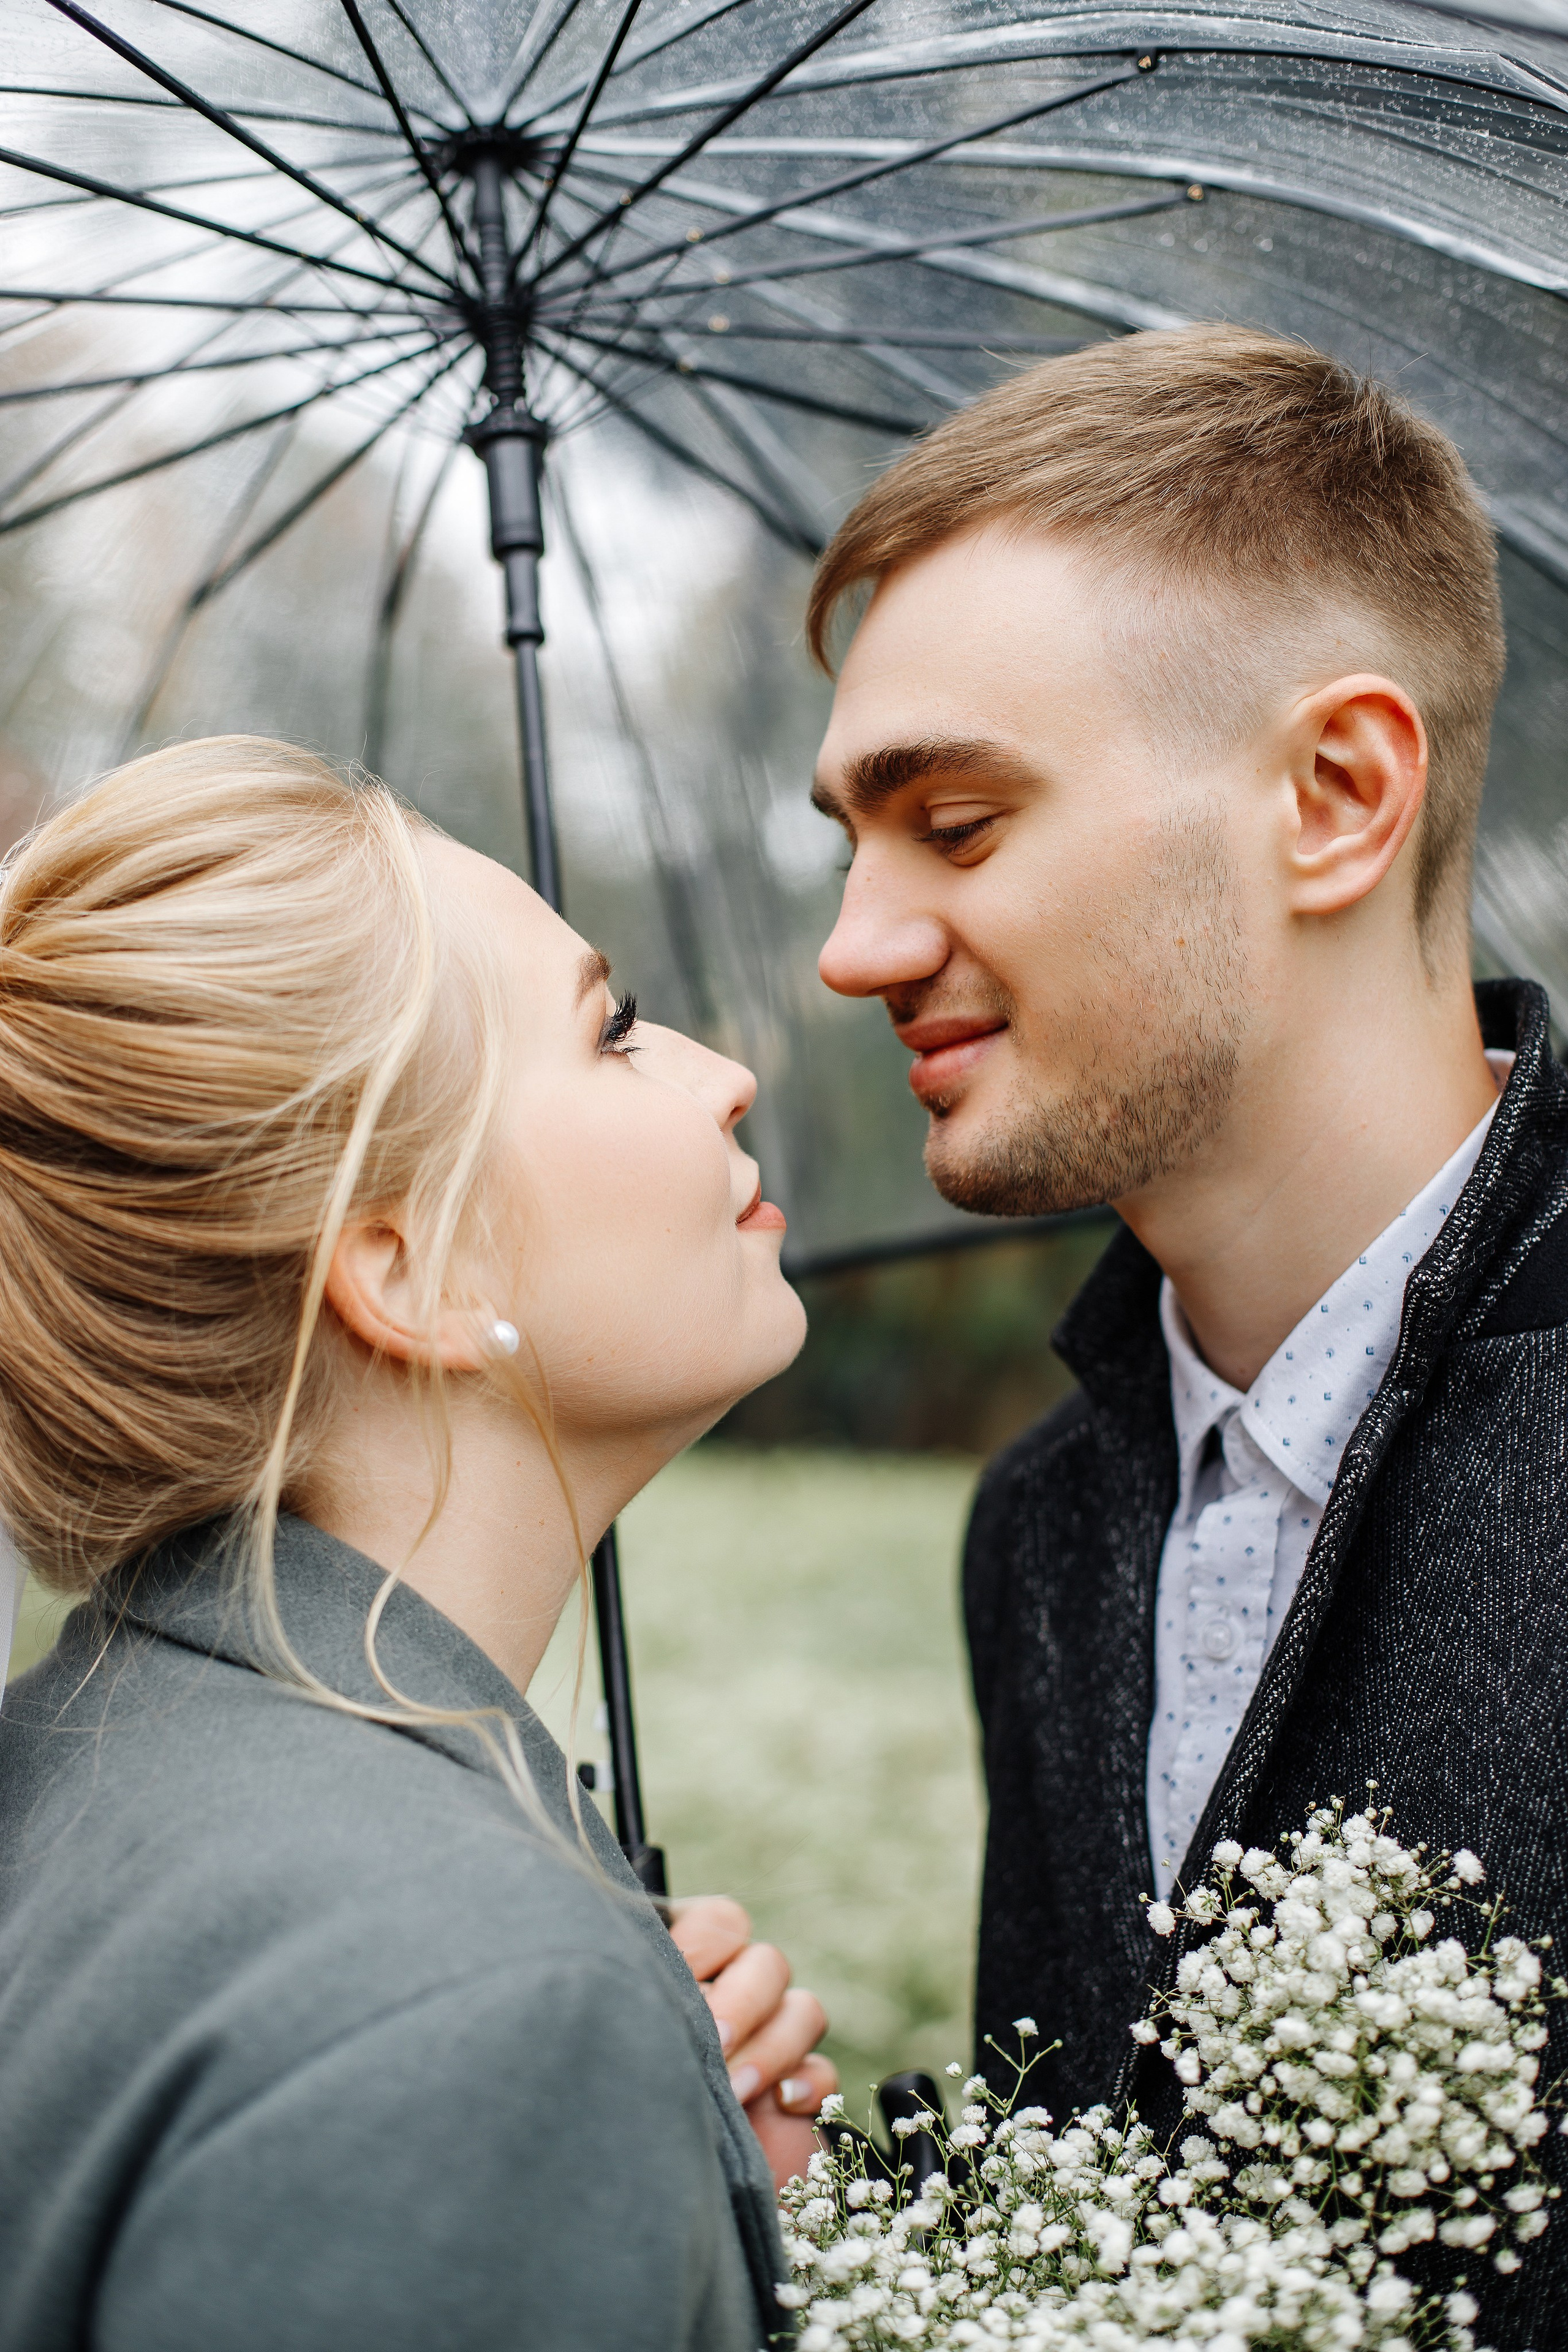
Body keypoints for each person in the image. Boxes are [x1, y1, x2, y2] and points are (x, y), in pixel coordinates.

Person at [806, 324, 1566, 2342]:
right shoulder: (1040, 1532)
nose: (853, 947)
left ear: (1335, 794)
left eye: (954, 826)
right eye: (849, 842)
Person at [0, 736, 835, 2350]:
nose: (722, 1075)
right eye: (613, 1032)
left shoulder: (76, 1775)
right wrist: (536, 2057)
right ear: (413, 1271)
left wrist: (673, 2202)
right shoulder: (474, 1999)